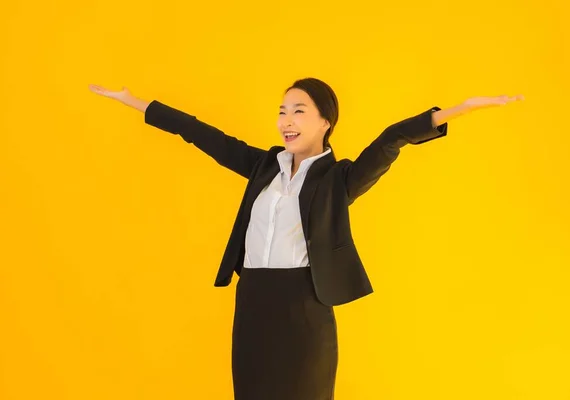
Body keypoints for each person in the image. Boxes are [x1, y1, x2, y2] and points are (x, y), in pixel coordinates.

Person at [89, 78, 524, 399]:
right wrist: (136, 103)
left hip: (305, 306)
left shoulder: (339, 180)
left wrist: (457, 110)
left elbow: (392, 140)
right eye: (281, 110)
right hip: (254, 301)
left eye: (298, 110)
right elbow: (202, 135)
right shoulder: (262, 167)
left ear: (325, 121)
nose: (286, 120)